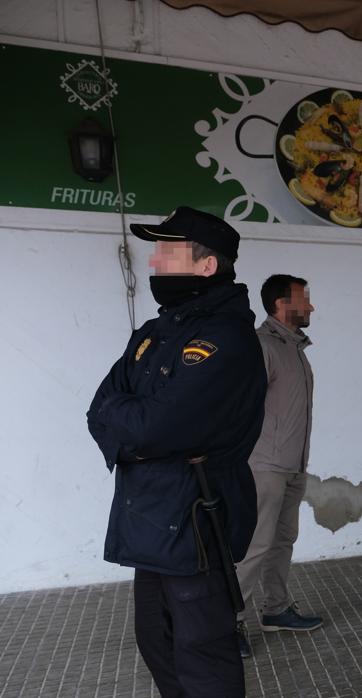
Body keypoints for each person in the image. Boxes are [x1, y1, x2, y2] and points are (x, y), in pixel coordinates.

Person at [86, 207, 267, 698]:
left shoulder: (225, 339)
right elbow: (98, 410)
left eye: (167, 251)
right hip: (148, 518)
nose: (154, 262)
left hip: (195, 523)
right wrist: (145, 436)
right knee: (157, 642)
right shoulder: (152, 333)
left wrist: (143, 434)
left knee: (202, 651)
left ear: (207, 266)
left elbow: (158, 426)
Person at [234, 274, 323, 659]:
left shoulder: (296, 349)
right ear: (282, 305)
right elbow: (240, 406)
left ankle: (276, 609)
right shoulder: (262, 346)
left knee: (282, 541)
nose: (312, 307)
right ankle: (228, 622)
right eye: (305, 300)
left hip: (293, 465)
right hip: (264, 467)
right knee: (255, 546)